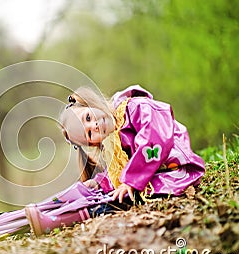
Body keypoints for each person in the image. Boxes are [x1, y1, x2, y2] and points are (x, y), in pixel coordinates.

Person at [24, 84, 205, 235]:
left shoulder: (136, 107)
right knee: (107, 190)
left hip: (176, 170)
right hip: (153, 173)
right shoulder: (113, 143)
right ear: (92, 143)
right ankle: (56, 208)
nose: (94, 125)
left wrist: (131, 181)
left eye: (88, 117)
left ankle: (62, 219)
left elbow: (154, 141)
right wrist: (99, 182)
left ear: (91, 104)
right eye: (89, 134)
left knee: (121, 197)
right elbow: (120, 169)